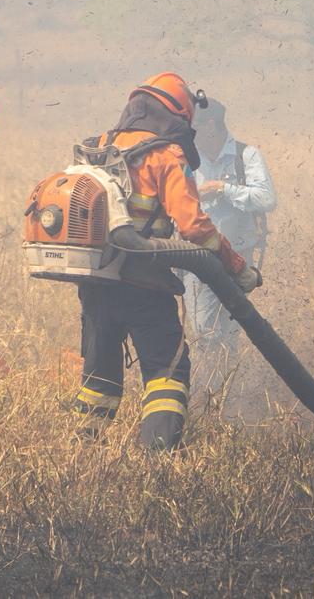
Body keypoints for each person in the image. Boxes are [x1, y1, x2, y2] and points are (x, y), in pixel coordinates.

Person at [70, 72, 260, 451]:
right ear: (178, 116)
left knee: (98, 377)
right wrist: (236, 266)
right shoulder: (165, 154)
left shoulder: (98, 147)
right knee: (166, 374)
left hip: (95, 284)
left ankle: (81, 452)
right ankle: (158, 463)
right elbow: (194, 227)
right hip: (145, 286)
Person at [185, 99, 276, 360]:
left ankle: (222, 383)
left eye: (192, 128)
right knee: (206, 327)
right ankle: (223, 381)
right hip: (194, 255)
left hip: (235, 256)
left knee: (219, 326)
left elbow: (267, 198)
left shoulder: (246, 156)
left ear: (210, 126)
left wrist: (222, 189)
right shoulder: (188, 159)